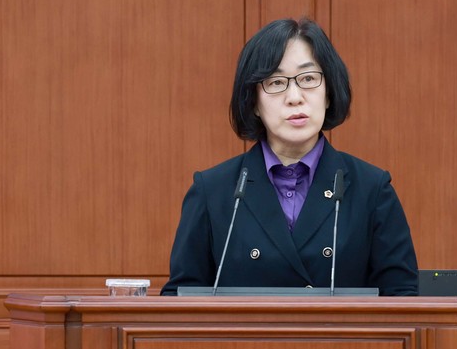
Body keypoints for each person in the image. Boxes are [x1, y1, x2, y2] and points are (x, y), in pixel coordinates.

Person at [160, 18, 418, 296]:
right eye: (276, 82)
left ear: (328, 93)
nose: (295, 97)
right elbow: (180, 300)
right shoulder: (213, 191)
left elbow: (402, 299)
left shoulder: (372, 189)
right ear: (254, 102)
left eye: (308, 79)